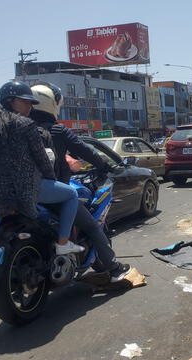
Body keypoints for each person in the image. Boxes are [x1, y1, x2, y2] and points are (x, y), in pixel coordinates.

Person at [29, 82, 130, 281]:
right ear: (52, 104)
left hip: (20, 192)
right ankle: (114, 269)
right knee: (92, 226)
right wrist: (105, 166)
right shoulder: (57, 131)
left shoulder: (22, 129)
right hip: (51, 191)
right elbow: (86, 152)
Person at [0, 81, 84, 255]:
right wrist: (50, 179)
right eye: (25, 101)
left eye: (31, 103)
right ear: (10, 101)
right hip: (25, 190)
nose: (29, 107)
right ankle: (63, 243)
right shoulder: (25, 125)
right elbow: (42, 159)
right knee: (71, 194)